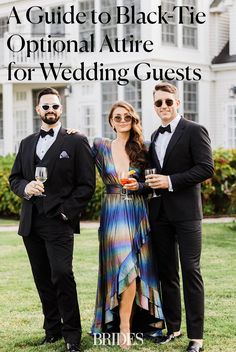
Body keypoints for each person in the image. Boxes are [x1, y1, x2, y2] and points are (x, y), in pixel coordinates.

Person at [9, 87, 95, 352]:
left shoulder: (76, 141)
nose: (50, 111)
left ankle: (72, 336)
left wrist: (65, 213)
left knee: (62, 275)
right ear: (38, 110)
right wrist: (26, 188)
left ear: (61, 109)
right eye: (45, 106)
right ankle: (52, 330)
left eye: (55, 106)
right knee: (42, 278)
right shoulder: (26, 144)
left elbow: (86, 186)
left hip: (59, 221)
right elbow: (14, 179)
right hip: (31, 222)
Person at [90, 101, 165, 349]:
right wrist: (70, 133)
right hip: (112, 212)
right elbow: (74, 157)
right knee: (121, 267)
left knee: (133, 267)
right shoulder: (100, 146)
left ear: (133, 120)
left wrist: (140, 186)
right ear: (110, 121)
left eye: (127, 117)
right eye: (117, 117)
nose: (122, 120)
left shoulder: (144, 147)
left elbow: (152, 180)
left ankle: (126, 326)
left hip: (136, 210)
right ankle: (121, 325)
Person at [146, 82, 214, 352]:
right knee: (167, 273)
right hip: (159, 214)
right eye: (159, 103)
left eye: (168, 101)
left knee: (190, 270)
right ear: (154, 106)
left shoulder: (195, 130)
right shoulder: (154, 135)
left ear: (178, 103)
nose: (164, 106)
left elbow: (205, 168)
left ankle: (196, 338)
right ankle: (173, 328)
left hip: (187, 215)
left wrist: (170, 181)